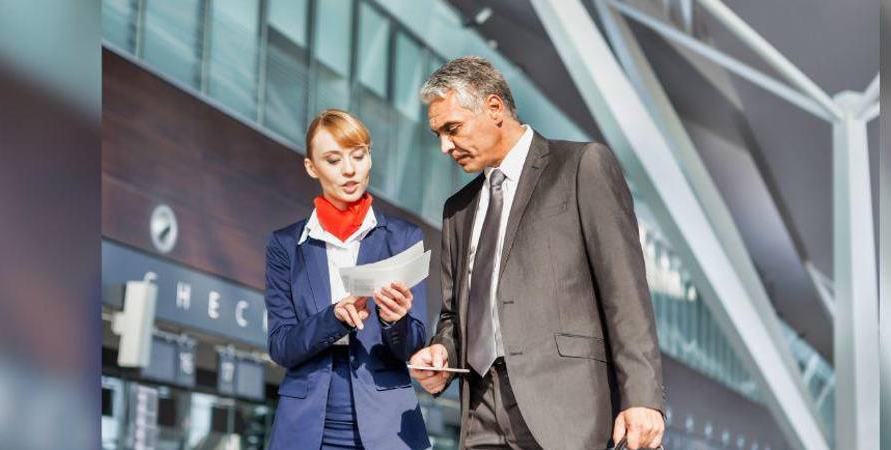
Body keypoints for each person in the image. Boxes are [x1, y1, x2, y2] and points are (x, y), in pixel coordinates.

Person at [408, 56, 667, 450]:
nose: (445, 145)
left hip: (566, 408)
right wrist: (442, 351)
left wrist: (643, 398)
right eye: (438, 134)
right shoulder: (457, 209)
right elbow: (452, 314)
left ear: (494, 108)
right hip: (480, 410)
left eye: (452, 129)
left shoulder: (581, 166)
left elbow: (624, 290)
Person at [263, 109, 430, 450]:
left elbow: (414, 344)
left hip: (387, 425)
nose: (350, 170)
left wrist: (393, 319)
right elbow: (281, 346)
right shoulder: (286, 245)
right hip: (308, 426)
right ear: (312, 167)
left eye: (358, 156)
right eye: (334, 159)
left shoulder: (402, 238)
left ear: (370, 157)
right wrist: (334, 318)